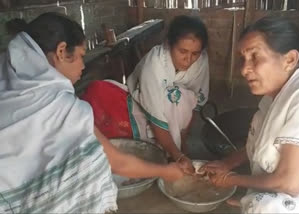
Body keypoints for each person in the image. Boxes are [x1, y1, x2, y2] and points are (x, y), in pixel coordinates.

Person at [0, 12, 184, 213]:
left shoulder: (7, 86)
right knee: (91, 161)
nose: (82, 65)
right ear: (61, 51)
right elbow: (117, 163)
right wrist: (166, 171)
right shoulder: (62, 109)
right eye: (80, 56)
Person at [200, 16, 299, 213]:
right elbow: (259, 142)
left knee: (265, 207)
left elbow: (290, 182)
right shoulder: (275, 95)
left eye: (255, 57)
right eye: (243, 58)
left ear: (289, 59)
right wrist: (226, 164)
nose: (244, 69)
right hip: (297, 185)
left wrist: (230, 179)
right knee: (257, 199)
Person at [82, 15, 210, 175]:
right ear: (169, 44)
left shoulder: (201, 61)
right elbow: (156, 117)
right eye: (183, 51)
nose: (188, 59)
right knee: (174, 96)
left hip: (175, 105)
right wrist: (177, 155)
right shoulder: (155, 63)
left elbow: (195, 105)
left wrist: (183, 140)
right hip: (141, 101)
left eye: (195, 53)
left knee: (181, 97)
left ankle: (172, 146)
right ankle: (166, 151)